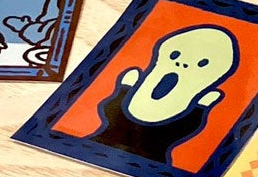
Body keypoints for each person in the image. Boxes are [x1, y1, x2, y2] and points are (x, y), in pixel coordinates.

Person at [88, 23, 238, 163]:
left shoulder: (185, 116)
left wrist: (200, 108)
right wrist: (124, 90)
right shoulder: (136, 91)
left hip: (150, 160)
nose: (182, 63)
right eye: (175, 55)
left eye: (201, 64)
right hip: (98, 144)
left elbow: (183, 130)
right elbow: (110, 110)